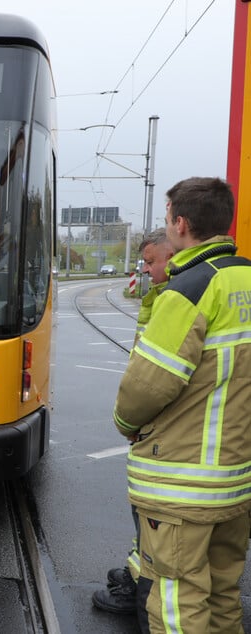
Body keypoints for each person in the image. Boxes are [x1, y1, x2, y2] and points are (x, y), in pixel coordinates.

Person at [112, 177, 251, 632]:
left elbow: (146, 388)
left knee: (178, 599)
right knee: (223, 594)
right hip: (236, 479)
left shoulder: (189, 289)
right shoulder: (245, 278)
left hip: (184, 486)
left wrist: (123, 421)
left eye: (168, 216)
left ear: (182, 223)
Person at [92, 228, 175, 615]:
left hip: (163, 432)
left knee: (156, 519)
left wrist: (127, 420)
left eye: (151, 261)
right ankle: (137, 573)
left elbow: (155, 379)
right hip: (161, 431)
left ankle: (142, 589)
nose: (144, 268)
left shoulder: (177, 300)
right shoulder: (159, 295)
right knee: (146, 515)